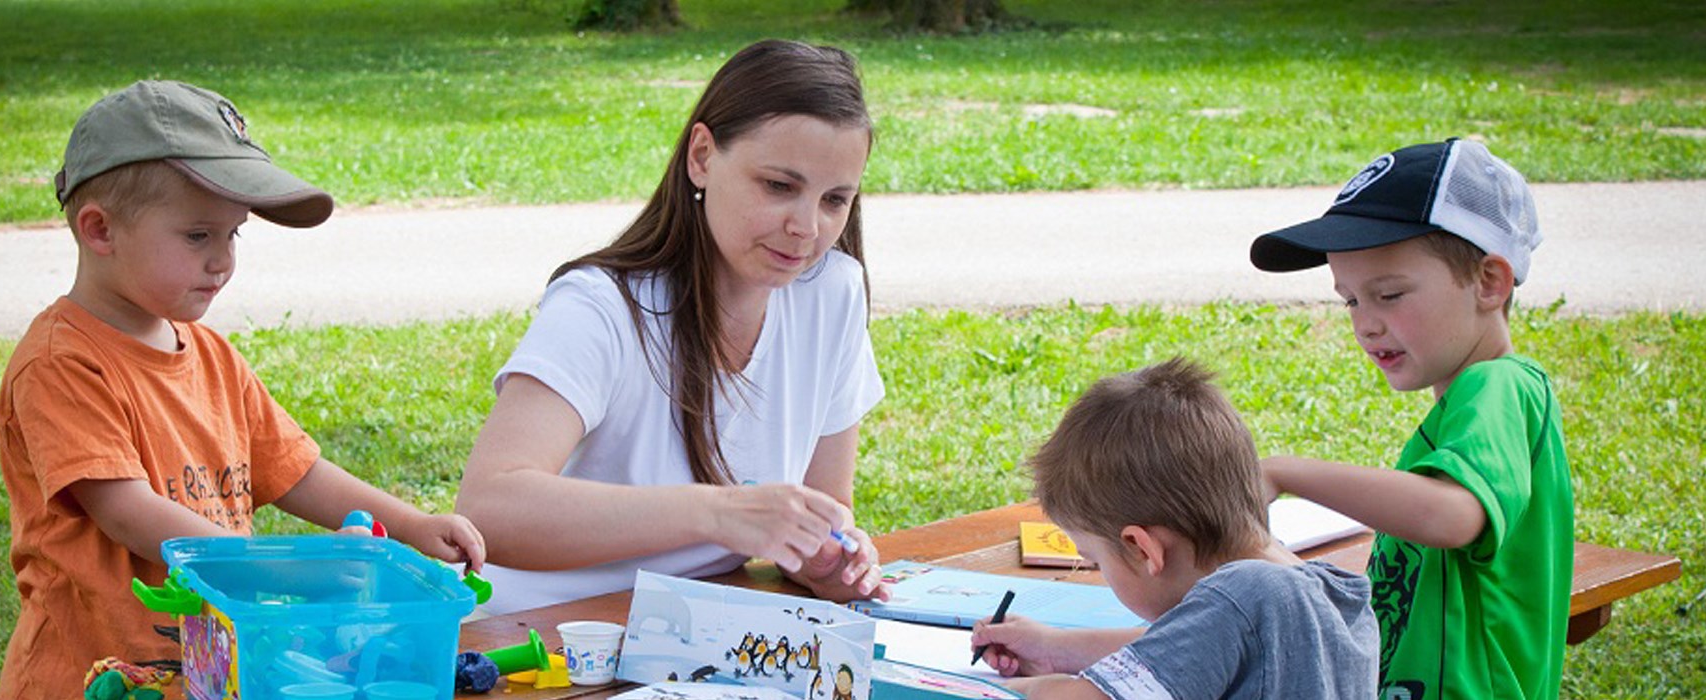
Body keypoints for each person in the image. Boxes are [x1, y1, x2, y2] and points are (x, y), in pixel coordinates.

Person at [0, 80, 486, 700]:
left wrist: (411, 524)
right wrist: (296, 571)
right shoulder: (61, 364)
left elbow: (297, 472)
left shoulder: (212, 356)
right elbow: (130, 514)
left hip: (209, 672)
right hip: (93, 677)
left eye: (233, 235)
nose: (222, 260)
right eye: (198, 235)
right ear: (100, 230)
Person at [453, 39, 887, 614]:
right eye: (779, 186)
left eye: (835, 199)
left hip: (690, 638)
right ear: (702, 156)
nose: (806, 227)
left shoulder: (832, 290)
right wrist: (717, 513)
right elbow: (489, 507)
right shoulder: (600, 307)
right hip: (535, 641)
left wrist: (830, 559)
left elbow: (827, 501)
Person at [1249, 138, 1573, 699]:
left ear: (1489, 283)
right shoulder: (1462, 405)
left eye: (1390, 294)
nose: (1365, 325)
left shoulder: (1499, 386)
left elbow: (1451, 517)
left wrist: (1283, 471)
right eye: (1350, 300)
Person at [971, 359, 1379, 700]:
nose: (1097, 570)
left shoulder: (1240, 595)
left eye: (1094, 561)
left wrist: (989, 690)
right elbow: (1182, 649)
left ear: (1142, 548)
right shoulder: (1331, 595)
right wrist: (1056, 649)